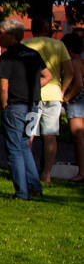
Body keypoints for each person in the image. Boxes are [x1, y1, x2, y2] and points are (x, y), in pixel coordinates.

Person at [0, 17, 52, 200]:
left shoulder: (8, 57)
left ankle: (21, 192)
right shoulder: (32, 54)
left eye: (1, 33)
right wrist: (33, 87)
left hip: (15, 106)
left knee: (14, 149)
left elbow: (3, 86)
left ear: (11, 36)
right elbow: (48, 76)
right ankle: (35, 187)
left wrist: (3, 106)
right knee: (24, 146)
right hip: (32, 106)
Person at [23, 15, 70, 185]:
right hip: (53, 94)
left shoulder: (25, 45)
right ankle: (47, 174)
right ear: (46, 29)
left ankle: (28, 171)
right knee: (50, 136)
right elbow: (70, 72)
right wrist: (62, 91)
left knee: (29, 135)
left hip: (31, 94)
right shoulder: (58, 45)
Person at [60, 31, 84, 183]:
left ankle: (81, 172)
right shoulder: (80, 60)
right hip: (79, 102)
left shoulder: (74, 62)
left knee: (78, 138)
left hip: (76, 103)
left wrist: (66, 98)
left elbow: (78, 84)